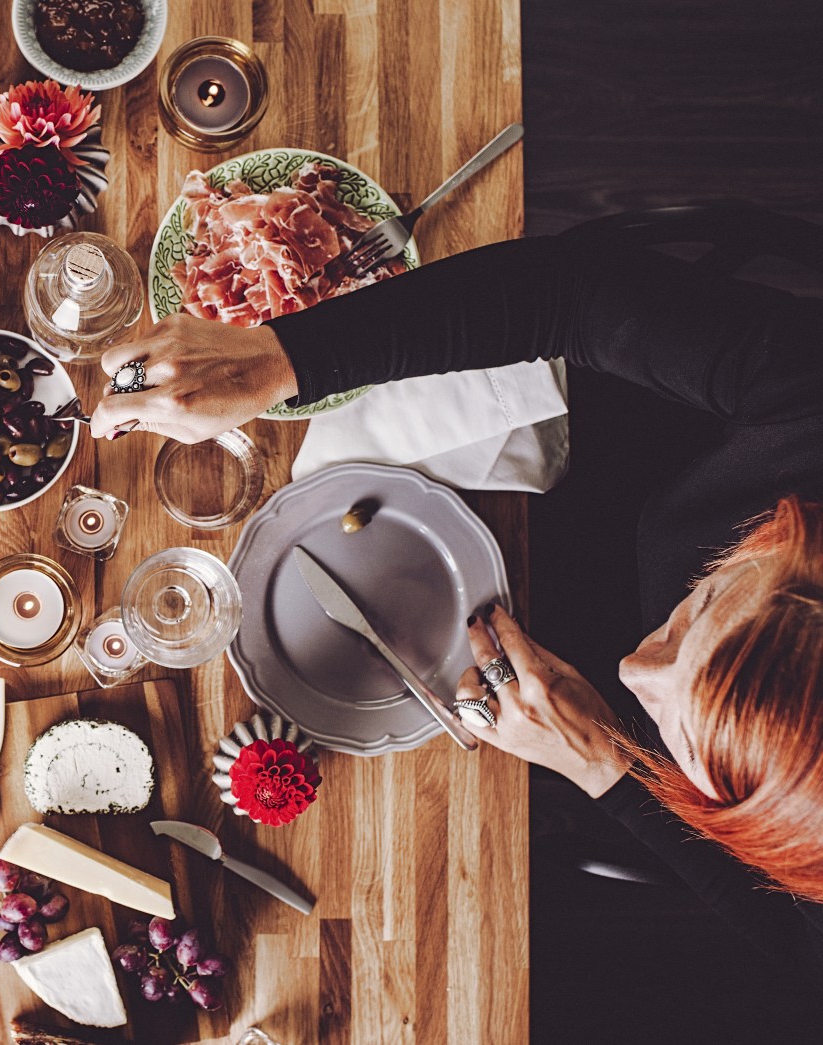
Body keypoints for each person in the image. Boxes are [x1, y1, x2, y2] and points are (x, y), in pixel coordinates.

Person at [90, 231, 823, 974]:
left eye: (692, 749)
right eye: (701, 614)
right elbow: (568, 291)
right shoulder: (810, 407)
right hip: (639, 436)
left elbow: (794, 936)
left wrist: (610, 764)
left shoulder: (652, 706)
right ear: (799, 553)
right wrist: (282, 357)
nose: (633, 668)